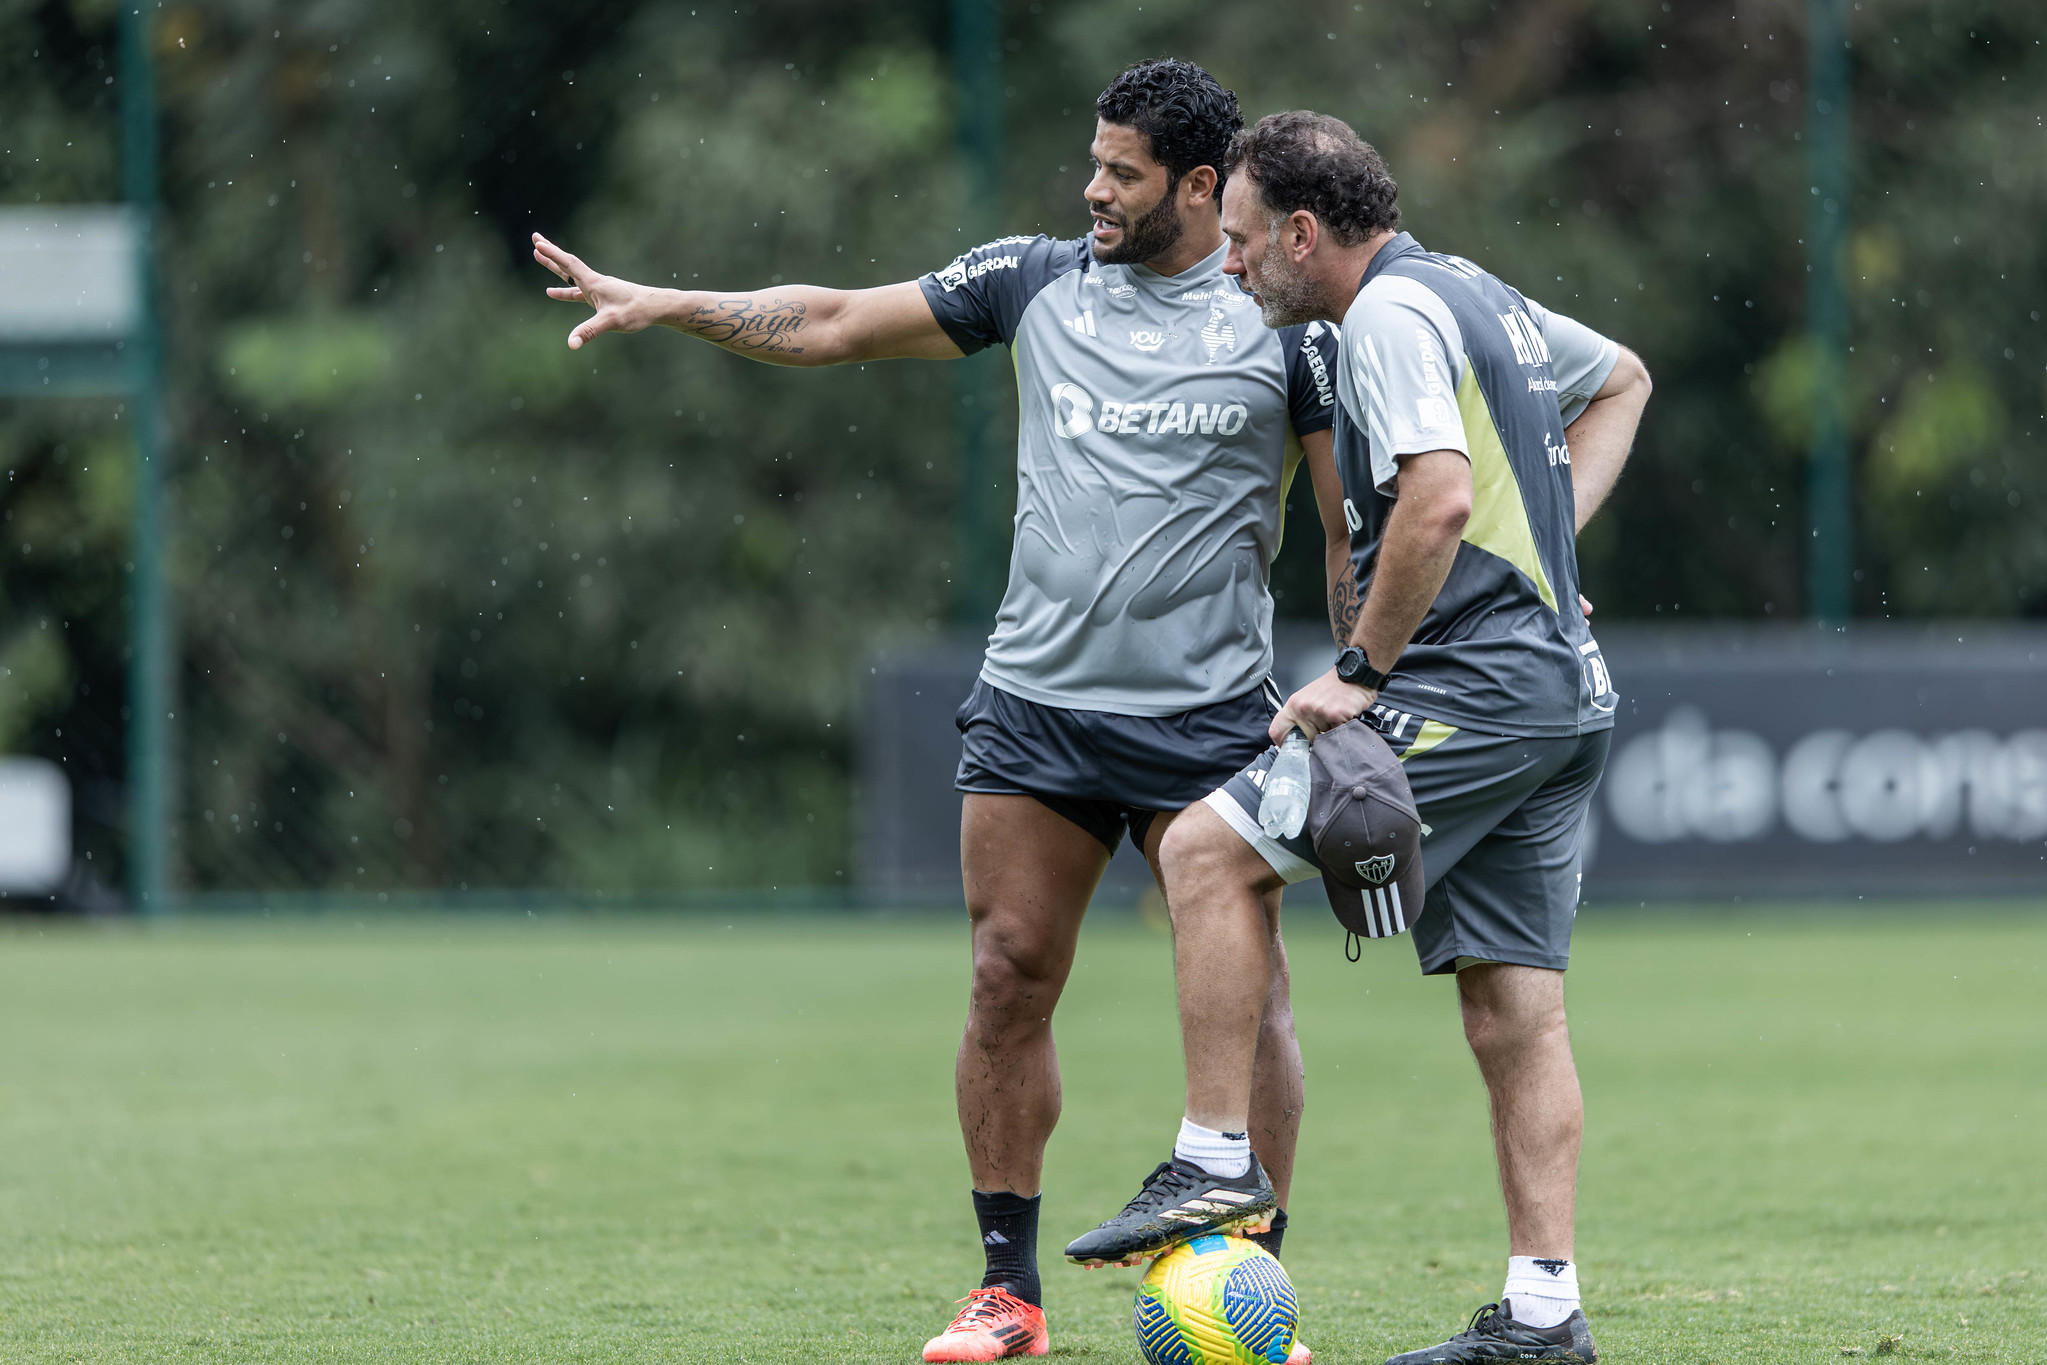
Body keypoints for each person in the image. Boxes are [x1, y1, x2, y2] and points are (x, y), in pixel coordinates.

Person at [531, 62, 1348, 1365]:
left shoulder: (1285, 320)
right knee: (1003, 979)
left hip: (1211, 718)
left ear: (1199, 187)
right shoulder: (1033, 280)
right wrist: (667, 302)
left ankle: (1244, 1288)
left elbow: (1342, 530)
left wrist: (1355, 676)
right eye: (1091, 161)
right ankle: (1004, 1293)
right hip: (1035, 705)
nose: (1091, 187)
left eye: (1121, 171)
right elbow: (834, 322)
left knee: (1255, 1010)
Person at [1069, 110, 1653, 1365]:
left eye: (1238, 243)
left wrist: (1355, 672)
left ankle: (1216, 1161)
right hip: (1565, 700)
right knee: (1516, 1016)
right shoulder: (1471, 289)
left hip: (1478, 692)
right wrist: (1554, 552)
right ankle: (1543, 1315)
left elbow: (1437, 500)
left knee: (1203, 857)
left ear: (1299, 231)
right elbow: (1620, 378)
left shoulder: (1381, 317)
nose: (1227, 267)